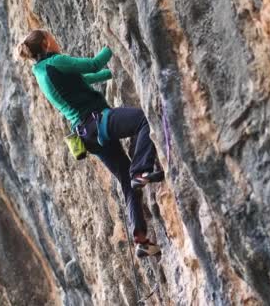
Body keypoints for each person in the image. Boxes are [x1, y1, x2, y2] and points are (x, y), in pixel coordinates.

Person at [17, 29, 164, 257]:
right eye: (52, 37)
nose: (56, 40)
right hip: (97, 121)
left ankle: (141, 239)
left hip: (88, 135)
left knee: (125, 179)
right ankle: (142, 170)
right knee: (143, 120)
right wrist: (116, 34)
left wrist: (113, 73)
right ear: (46, 42)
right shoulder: (57, 61)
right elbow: (94, 64)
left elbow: (87, 78)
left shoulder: (40, 72)